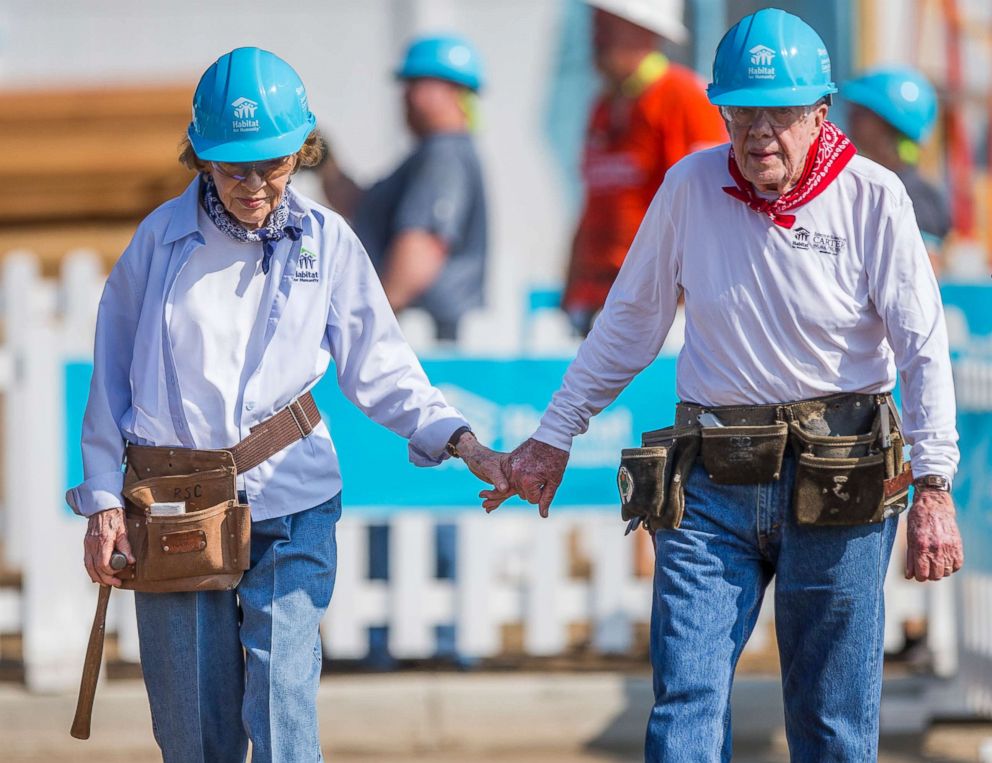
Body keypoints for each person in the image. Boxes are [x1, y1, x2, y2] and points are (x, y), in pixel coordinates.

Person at [485, 9, 964, 761]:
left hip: (838, 477)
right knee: (683, 709)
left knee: (833, 724)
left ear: (820, 114)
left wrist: (933, 485)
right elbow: (627, 325)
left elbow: (922, 349)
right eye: (741, 111)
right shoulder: (689, 185)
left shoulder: (873, 197)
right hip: (713, 483)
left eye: (778, 113)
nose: (758, 132)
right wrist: (553, 435)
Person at [68, 47, 507, 762]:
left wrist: (461, 441)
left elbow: (382, 366)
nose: (254, 183)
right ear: (201, 157)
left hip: (293, 500)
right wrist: (100, 502)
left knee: (281, 704)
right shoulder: (158, 244)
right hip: (177, 506)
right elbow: (109, 379)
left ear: (300, 151)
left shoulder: (329, 242)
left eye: (271, 163)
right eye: (233, 165)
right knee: (194, 735)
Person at [562, 0, 726, 335]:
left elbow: (710, 209)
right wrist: (571, 291)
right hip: (600, 307)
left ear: (646, 30)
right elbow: (593, 206)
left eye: (608, 23)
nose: (596, 35)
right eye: (597, 22)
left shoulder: (684, 99)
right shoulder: (603, 107)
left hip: (661, 315)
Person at [323, 34, 487, 341]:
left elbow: (421, 247)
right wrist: (324, 164)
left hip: (425, 339)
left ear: (444, 89)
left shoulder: (444, 156)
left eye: (413, 85)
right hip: (417, 335)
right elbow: (361, 205)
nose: (406, 97)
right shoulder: (428, 156)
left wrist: (368, 324)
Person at [844, 66, 951, 274]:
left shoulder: (920, 200)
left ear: (888, 125)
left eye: (861, 113)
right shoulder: (857, 183)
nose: (851, 118)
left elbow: (915, 275)